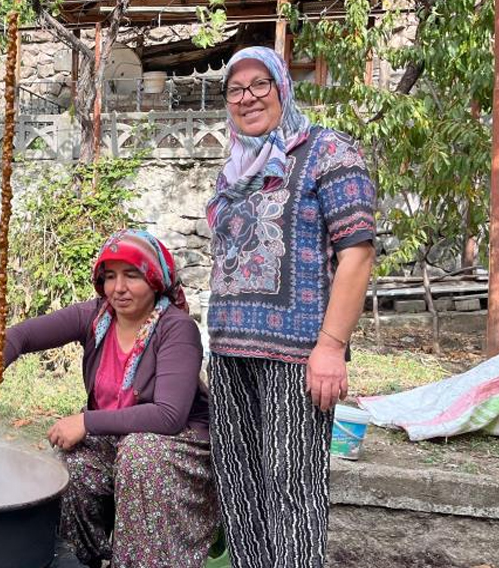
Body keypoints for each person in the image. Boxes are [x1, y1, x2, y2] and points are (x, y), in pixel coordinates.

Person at [0, 229, 218, 568]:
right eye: (110, 276)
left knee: (141, 455)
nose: (118, 288)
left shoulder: (177, 329)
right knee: (67, 467)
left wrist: (86, 421)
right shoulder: (97, 316)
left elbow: (169, 415)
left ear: (155, 278)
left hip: (175, 447)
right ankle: (76, 560)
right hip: (118, 440)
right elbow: (19, 336)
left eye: (132, 275)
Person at [205, 46, 376, 568]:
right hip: (232, 353)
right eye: (236, 89)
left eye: (260, 85)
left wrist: (331, 347)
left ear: (282, 87)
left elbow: (357, 253)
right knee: (238, 483)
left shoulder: (330, 153)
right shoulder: (234, 168)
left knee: (292, 491)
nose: (247, 98)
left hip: (298, 358)